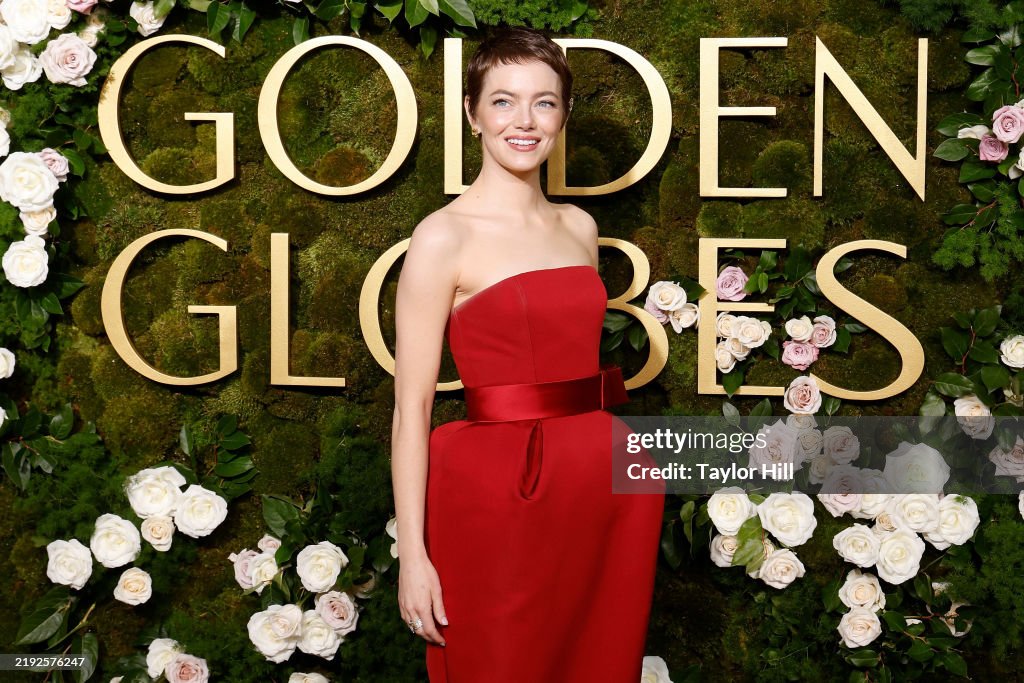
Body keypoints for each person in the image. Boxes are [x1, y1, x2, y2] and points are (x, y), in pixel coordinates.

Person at [390, 26, 665, 682]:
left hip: (598, 484)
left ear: (562, 117)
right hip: (497, 494)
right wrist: (413, 558)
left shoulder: (580, 227)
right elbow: (411, 409)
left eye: (544, 103)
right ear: (472, 114)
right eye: (503, 101)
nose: (525, 121)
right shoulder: (442, 237)